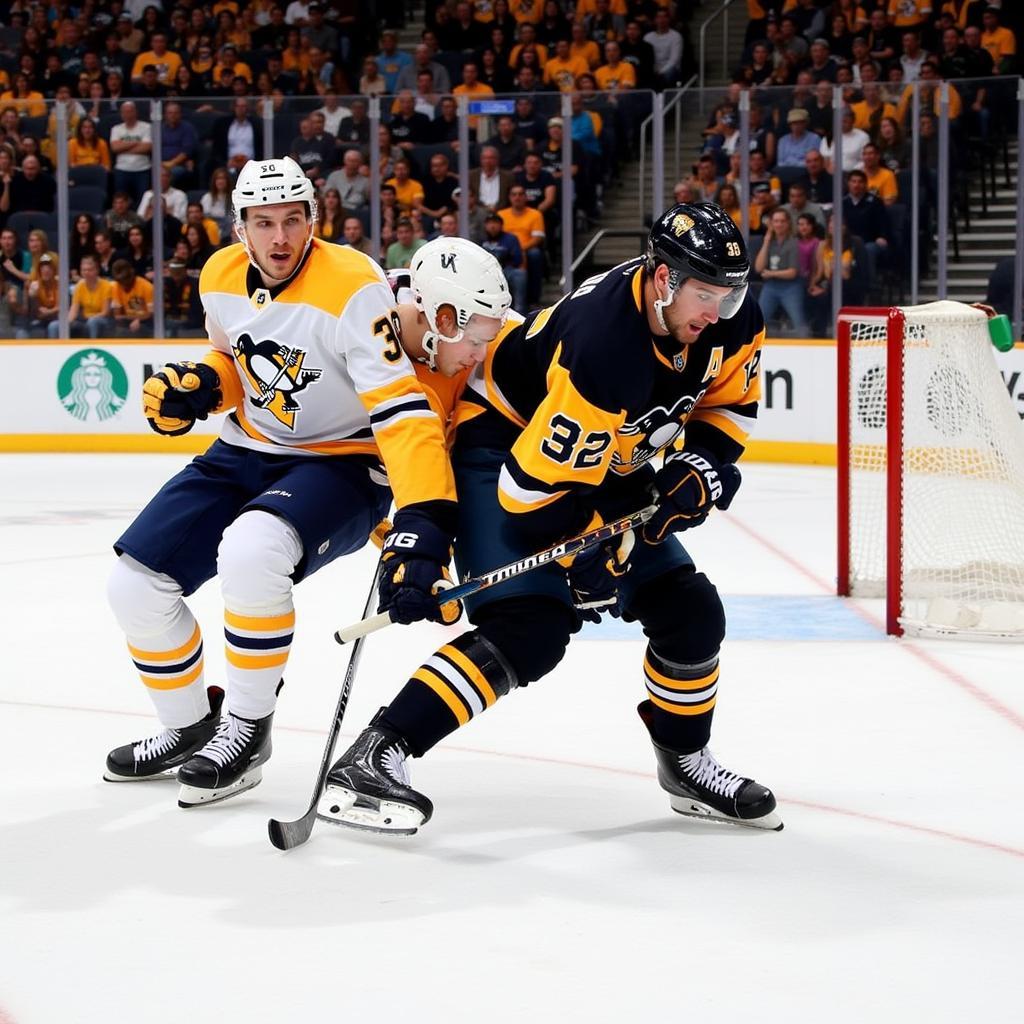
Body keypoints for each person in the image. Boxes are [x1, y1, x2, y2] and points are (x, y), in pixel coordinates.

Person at [322, 203, 781, 835]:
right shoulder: (604, 345)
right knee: (529, 626)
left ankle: (684, 762)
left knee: (690, 611)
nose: (718, 312)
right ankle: (377, 753)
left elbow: (729, 409)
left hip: (605, 466)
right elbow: (531, 494)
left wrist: (699, 466)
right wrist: (587, 548)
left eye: (729, 297)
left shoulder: (729, 320)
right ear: (664, 280)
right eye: (707, 295)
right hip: (503, 449)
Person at [103, 157, 463, 809]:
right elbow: (232, 359)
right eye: (263, 223)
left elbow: (401, 408)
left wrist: (423, 516)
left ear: (313, 221)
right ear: (239, 228)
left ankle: (246, 732)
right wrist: (204, 386)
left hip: (343, 462)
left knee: (252, 550)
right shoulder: (218, 275)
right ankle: (190, 728)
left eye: (292, 220)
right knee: (133, 584)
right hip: (244, 449)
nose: (279, 238)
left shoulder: (354, 284)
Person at [755, 208, 809, 336]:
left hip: (791, 287)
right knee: (757, 322)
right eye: (776, 221)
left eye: (782, 221)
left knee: (799, 323)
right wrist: (766, 242)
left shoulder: (794, 243)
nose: (779, 224)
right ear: (771, 223)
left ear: (788, 223)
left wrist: (771, 274)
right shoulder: (769, 242)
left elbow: (792, 272)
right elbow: (758, 268)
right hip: (771, 287)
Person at [58, 254, 114, 338]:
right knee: (55, 326)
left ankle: (92, 348)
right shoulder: (79, 286)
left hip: (103, 320)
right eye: (84, 270)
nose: (86, 273)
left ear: (97, 270)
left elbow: (105, 312)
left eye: (90, 270)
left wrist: (90, 317)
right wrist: (66, 323)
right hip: (85, 319)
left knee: (92, 322)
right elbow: (74, 310)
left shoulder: (106, 285)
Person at [110, 258, 155, 336]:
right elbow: (117, 315)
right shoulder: (115, 287)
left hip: (147, 322)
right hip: (127, 320)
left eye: (125, 279)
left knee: (136, 329)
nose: (123, 284)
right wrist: (130, 318)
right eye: (120, 281)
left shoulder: (147, 287)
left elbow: (151, 314)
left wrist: (138, 319)